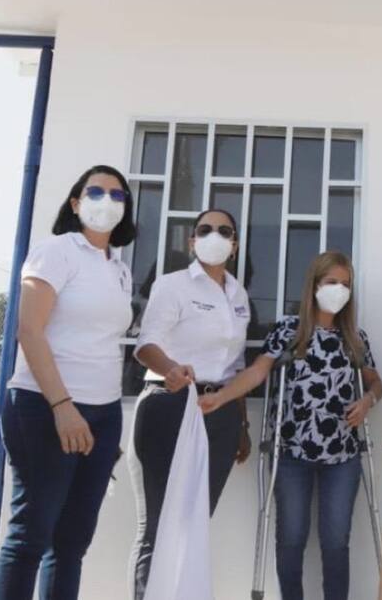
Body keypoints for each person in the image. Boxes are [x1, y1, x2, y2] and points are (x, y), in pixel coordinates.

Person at [198, 250, 382, 600]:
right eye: (331, 282)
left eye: (345, 284)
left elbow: (376, 383)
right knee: (291, 539)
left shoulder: (355, 338)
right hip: (291, 453)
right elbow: (257, 372)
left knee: (336, 541)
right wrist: (221, 397)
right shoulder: (288, 330)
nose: (339, 290)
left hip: (342, 456)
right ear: (314, 285)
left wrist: (367, 401)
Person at [0, 165, 136, 600]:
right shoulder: (56, 251)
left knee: (71, 545)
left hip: (103, 413)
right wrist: (62, 407)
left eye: (117, 195)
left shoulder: (119, 268)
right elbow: (29, 330)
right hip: (44, 406)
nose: (106, 201)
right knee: (30, 538)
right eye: (96, 192)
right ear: (76, 203)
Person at [128, 208, 250, 598]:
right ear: (192, 241)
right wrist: (171, 369)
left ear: (234, 246)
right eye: (205, 229)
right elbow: (145, 344)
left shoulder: (239, 295)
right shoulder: (172, 285)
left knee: (193, 525)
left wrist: (242, 425)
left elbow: (235, 365)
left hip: (220, 412)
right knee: (158, 525)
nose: (215, 235)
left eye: (224, 231)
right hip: (170, 403)